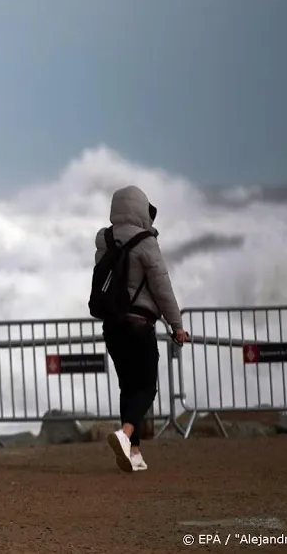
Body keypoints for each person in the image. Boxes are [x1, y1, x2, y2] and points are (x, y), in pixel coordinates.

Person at [94, 185, 188, 473]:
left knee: (128, 387)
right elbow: (162, 286)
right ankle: (125, 434)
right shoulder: (146, 242)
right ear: (140, 208)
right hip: (138, 324)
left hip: (112, 326)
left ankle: (133, 450)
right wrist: (177, 324)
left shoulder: (105, 240)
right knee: (147, 387)